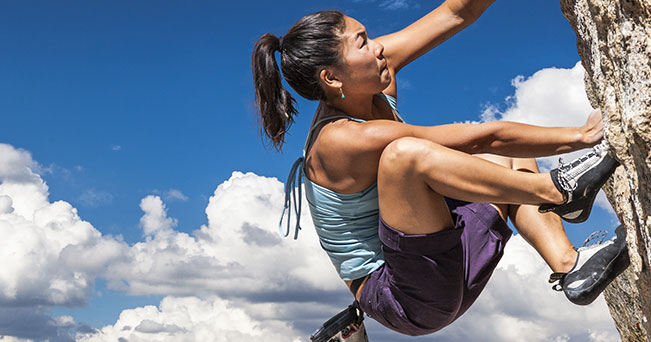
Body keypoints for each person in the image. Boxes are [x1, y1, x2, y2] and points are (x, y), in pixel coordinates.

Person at [250, 4, 631, 337]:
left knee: (508, 163)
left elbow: (455, 12)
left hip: (445, 259)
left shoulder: (372, 71)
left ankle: (571, 266)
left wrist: (580, 139)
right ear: (332, 79)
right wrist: (583, 136)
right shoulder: (340, 140)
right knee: (406, 157)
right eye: (362, 41)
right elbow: (481, 139)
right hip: (406, 296)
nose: (379, 45)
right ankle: (560, 192)